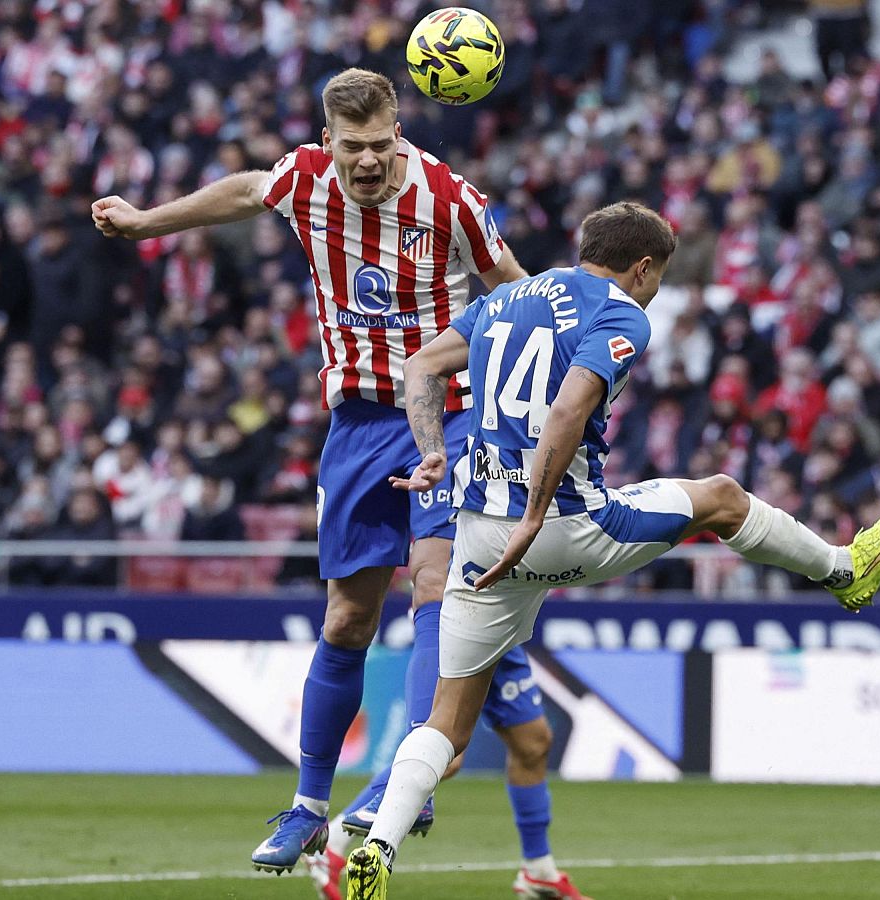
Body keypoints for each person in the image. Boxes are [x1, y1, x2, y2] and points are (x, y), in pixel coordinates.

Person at [92, 69, 583, 900]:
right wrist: (147, 224)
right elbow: (247, 189)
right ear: (329, 143)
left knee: (437, 587)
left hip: (453, 413)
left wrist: (554, 369)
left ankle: (409, 782)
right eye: (351, 147)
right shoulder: (303, 180)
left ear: (401, 131)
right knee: (348, 616)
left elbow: (520, 292)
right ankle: (307, 803)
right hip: (357, 424)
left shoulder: (452, 199)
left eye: (381, 145)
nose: (366, 162)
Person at [341, 202, 880, 898]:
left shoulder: (506, 298)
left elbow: (423, 366)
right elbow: (568, 408)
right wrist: (536, 513)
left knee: (445, 724)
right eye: (658, 277)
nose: (653, 290)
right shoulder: (620, 311)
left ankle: (378, 845)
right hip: (562, 523)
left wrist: (434, 451)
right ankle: (845, 570)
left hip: (478, 535)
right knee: (723, 498)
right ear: (643, 267)